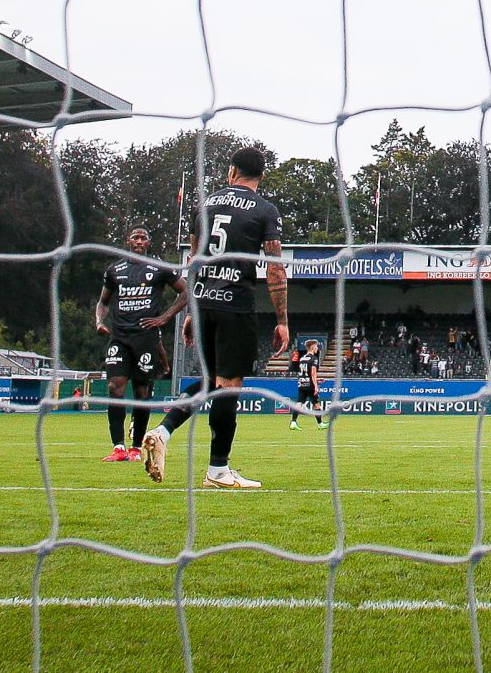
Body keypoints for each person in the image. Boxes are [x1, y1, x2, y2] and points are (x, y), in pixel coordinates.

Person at [140, 147, 289, 489]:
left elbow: (194, 260)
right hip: (235, 304)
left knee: (211, 382)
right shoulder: (265, 210)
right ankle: (218, 471)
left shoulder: (204, 205)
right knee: (229, 386)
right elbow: (275, 269)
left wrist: (191, 311)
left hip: (204, 303)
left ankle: (163, 432)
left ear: (232, 171)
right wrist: (282, 320)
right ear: (261, 176)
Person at [95, 226, 187, 462]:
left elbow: (186, 292)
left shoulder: (159, 267)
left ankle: (136, 448)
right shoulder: (115, 269)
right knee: (115, 387)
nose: (138, 241)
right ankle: (118, 447)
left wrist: (164, 318)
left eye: (143, 238)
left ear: (148, 243)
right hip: (119, 336)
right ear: (128, 240)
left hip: (145, 337)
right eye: (135, 237)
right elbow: (103, 301)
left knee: (141, 391)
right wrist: (99, 321)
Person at [290, 340, 325, 431]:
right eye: (316, 346)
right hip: (310, 385)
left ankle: (293, 422)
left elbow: (304, 373)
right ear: (312, 347)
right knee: (316, 404)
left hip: (301, 383)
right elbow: (313, 373)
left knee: (299, 403)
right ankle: (320, 424)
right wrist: (316, 385)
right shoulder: (314, 359)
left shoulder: (302, 358)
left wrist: (316, 380)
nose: (317, 348)